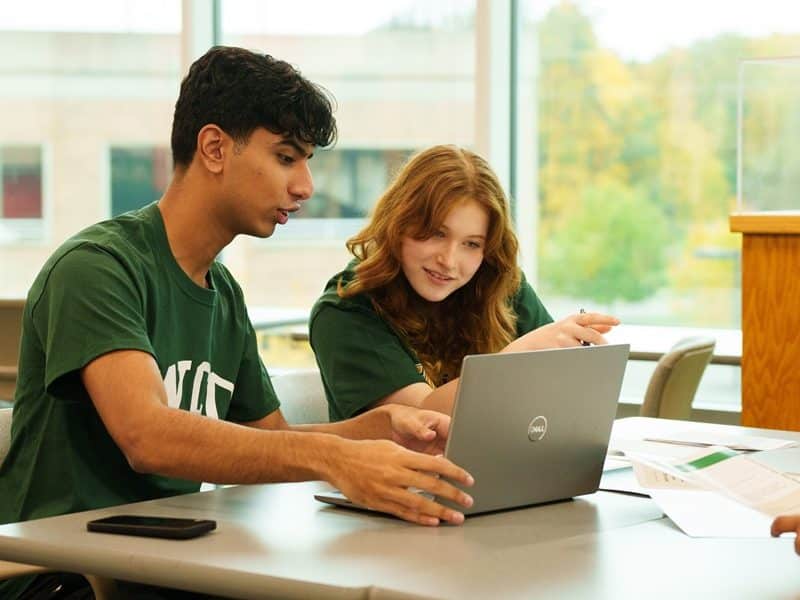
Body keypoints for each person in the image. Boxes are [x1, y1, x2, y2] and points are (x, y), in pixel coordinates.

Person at [0, 47, 474, 599]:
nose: (305, 187)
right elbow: (146, 436)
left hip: (165, 564)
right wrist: (335, 458)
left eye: (307, 162)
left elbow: (267, 440)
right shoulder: (98, 268)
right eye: (285, 157)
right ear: (215, 148)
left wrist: (379, 430)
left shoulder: (222, 292)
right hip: (60, 578)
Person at [310, 145, 619, 421]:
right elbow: (419, 425)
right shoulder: (346, 309)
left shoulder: (501, 284)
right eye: (436, 234)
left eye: (471, 244)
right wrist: (511, 363)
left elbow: (558, 398)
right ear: (397, 224)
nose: (449, 260)